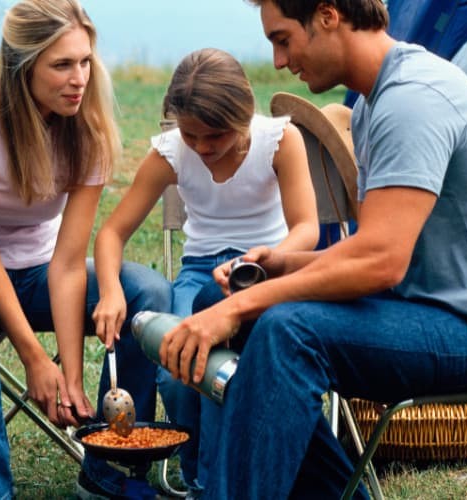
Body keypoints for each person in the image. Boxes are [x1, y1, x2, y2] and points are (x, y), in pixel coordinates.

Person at [158, 0, 467, 498]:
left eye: (283, 39)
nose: (281, 61)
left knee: (289, 332)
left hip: (463, 326)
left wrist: (249, 301)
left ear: (328, 15)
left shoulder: (414, 98)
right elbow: (381, 248)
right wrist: (284, 263)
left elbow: (382, 263)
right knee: (213, 303)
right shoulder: (376, 100)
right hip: (420, 306)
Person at [0, 0, 171, 497]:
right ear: (22, 67)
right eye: (62, 65)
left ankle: (109, 469)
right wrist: (35, 358)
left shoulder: (89, 132)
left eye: (85, 61)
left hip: (41, 272)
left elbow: (70, 262)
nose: (80, 78)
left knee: (148, 291)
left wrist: (70, 376)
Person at [93, 47, 318, 496]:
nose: (202, 148)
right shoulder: (173, 152)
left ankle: (226, 478)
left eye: (214, 135)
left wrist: (261, 261)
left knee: (232, 370)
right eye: (191, 135)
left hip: (267, 268)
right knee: (177, 370)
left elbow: (307, 229)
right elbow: (111, 233)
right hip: (200, 272)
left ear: (244, 112)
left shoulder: (279, 140)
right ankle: (199, 475)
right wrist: (110, 290)